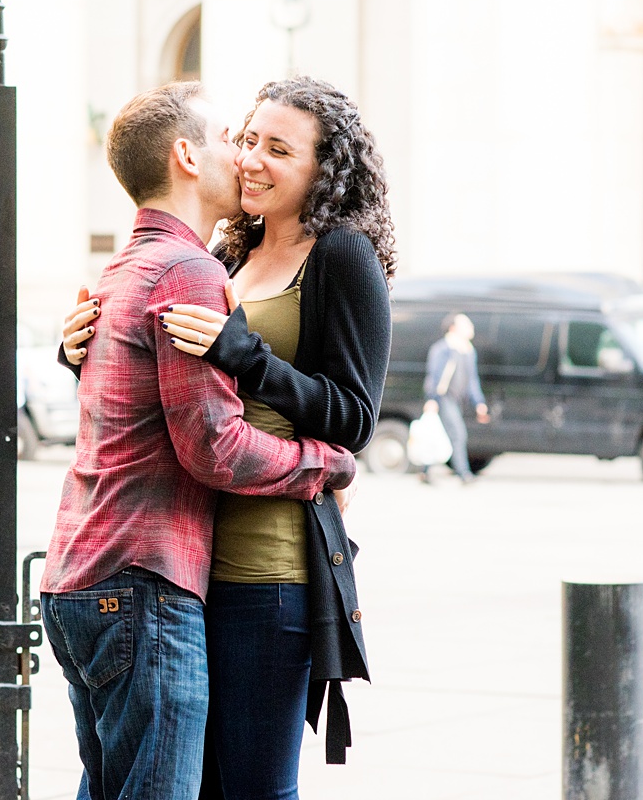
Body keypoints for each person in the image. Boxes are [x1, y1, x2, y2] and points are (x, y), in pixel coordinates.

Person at [62, 75, 395, 797]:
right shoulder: (223, 256)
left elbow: (355, 416)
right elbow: (170, 394)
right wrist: (81, 348)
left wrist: (249, 357)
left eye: (280, 149)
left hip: (268, 569)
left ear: (323, 167)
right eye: (248, 140)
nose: (252, 159)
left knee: (253, 786)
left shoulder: (340, 255)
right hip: (186, 565)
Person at [420, 313, 488, 484]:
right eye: (465, 324)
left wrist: (479, 402)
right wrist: (432, 399)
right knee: (458, 433)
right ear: (453, 328)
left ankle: (426, 471)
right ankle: (463, 473)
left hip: (458, 401)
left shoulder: (468, 350)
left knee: (439, 433)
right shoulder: (443, 349)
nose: (470, 327)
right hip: (443, 398)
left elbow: (472, 379)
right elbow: (433, 375)